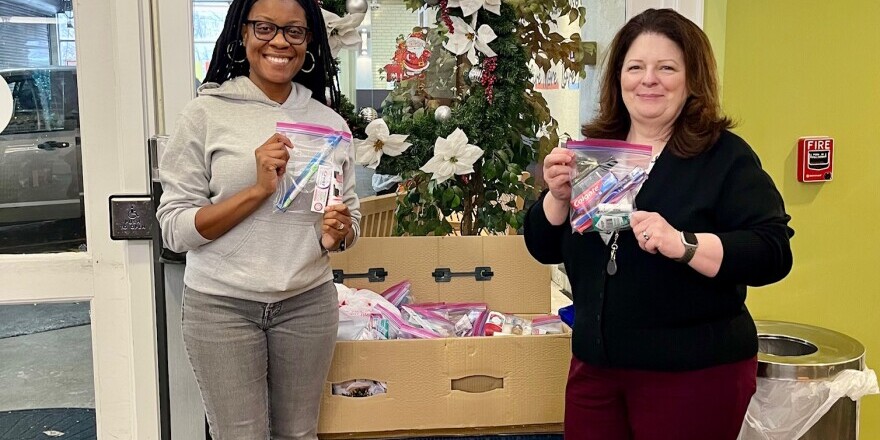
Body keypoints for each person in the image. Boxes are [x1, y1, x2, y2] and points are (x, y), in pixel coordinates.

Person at [524, 9, 793, 440]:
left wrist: (684, 244)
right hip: (597, 369)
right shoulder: (597, 152)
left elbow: (773, 251)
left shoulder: (724, 158)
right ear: (618, 78)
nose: (649, 79)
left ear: (692, 80)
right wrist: (556, 200)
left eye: (666, 67)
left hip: (694, 374)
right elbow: (544, 246)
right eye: (636, 67)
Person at [156, 0, 360, 438]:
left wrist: (338, 234)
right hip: (221, 307)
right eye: (265, 28)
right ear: (242, 33)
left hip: (307, 303)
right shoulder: (205, 114)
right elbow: (174, 230)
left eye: (295, 31)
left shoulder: (330, 124)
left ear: (310, 41)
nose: (280, 42)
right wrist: (257, 191)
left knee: (299, 435)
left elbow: (350, 219)